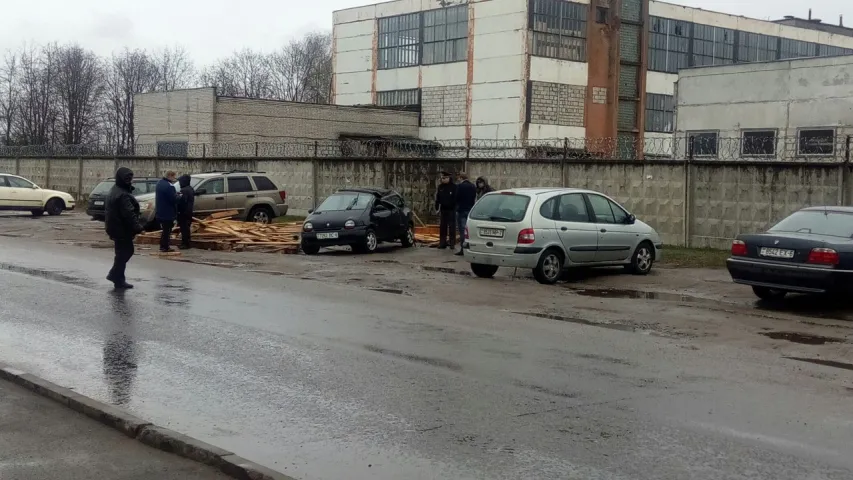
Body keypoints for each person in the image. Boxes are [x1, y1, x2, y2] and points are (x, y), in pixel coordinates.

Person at [105, 167, 143, 289]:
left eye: (130, 178)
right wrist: (138, 227)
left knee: (121, 253)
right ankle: (114, 274)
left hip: (115, 227)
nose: (129, 181)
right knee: (126, 252)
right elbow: (129, 214)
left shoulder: (115, 190)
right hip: (121, 228)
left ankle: (119, 279)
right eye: (127, 178)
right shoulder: (122, 194)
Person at [154, 171, 179, 252]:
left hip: (160, 210)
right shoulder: (170, 186)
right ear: (170, 176)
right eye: (174, 177)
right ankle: (165, 246)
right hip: (168, 211)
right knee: (167, 231)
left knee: (164, 230)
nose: (174, 179)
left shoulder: (159, 183)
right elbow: (173, 199)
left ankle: (162, 246)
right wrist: (179, 196)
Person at [454, 172, 476, 255]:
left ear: (460, 178)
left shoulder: (459, 186)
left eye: (458, 178)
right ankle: (470, 247)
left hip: (462, 210)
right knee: (469, 230)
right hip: (470, 210)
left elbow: (456, 198)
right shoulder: (472, 186)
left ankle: (463, 249)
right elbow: (474, 197)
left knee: (462, 230)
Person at [434, 171, 457, 249]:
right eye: (442, 178)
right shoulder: (440, 187)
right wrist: (437, 208)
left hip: (451, 210)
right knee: (443, 227)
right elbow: (438, 198)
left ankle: (452, 243)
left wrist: (454, 206)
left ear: (448, 178)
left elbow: (455, 199)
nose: (443, 180)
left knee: (451, 227)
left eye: (444, 178)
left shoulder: (454, 187)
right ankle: (442, 243)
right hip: (443, 210)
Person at [176, 174, 195, 249]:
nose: (180, 183)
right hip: (189, 211)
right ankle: (187, 243)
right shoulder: (190, 189)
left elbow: (182, 201)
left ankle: (185, 244)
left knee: (184, 229)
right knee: (186, 228)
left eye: (180, 181)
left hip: (183, 212)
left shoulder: (184, 190)